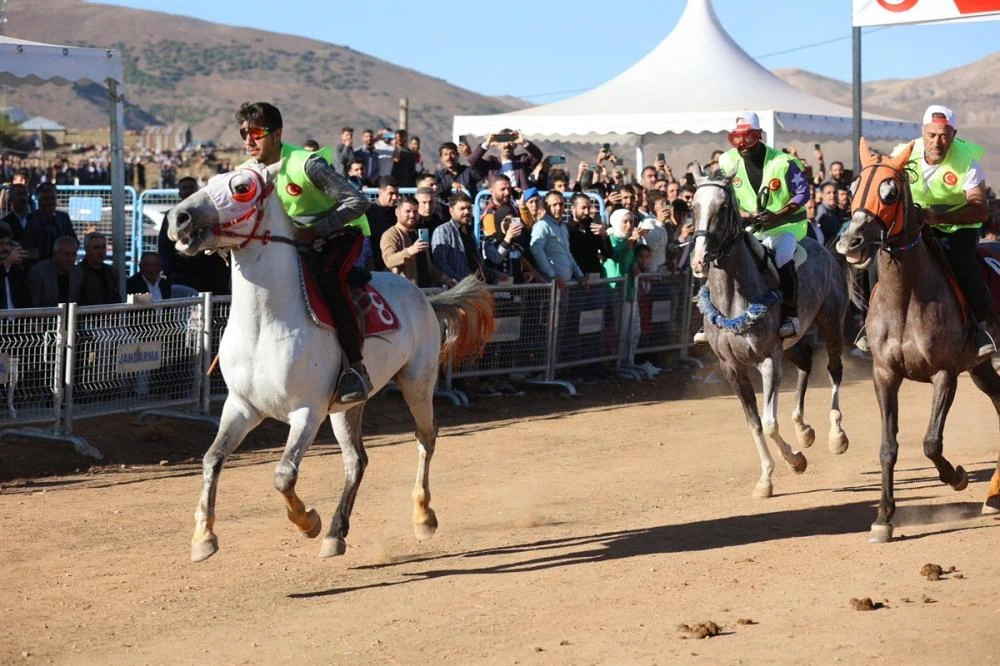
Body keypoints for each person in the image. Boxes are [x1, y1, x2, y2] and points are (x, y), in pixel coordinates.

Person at [236, 101, 373, 402]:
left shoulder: (306, 163)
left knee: (328, 281)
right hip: (295, 245)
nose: (248, 140)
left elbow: (358, 202)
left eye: (256, 132)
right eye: (243, 132)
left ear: (276, 134)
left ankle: (355, 368)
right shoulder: (246, 173)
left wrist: (315, 230)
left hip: (341, 235)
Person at [856, 105, 995, 357]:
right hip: (913, 226)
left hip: (957, 227)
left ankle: (979, 328)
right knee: (879, 261)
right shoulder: (904, 153)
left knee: (962, 263)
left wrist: (938, 217)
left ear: (954, 134)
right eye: (932, 135)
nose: (937, 142)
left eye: (944, 135)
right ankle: (869, 324)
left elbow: (981, 210)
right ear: (923, 132)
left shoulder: (968, 162)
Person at [714, 111, 809, 339]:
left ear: (759, 136)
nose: (742, 144)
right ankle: (711, 316)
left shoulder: (784, 162)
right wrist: (744, 214)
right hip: (748, 227)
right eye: (736, 138)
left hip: (785, 227)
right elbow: (723, 194)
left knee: (783, 255)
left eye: (747, 137)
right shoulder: (726, 161)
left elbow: (802, 193)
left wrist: (777, 214)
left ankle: (790, 314)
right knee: (717, 255)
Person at [380, 196, 444, 287]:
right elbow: (389, 261)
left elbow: (427, 265)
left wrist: (445, 278)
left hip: (425, 290)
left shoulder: (418, 234)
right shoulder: (391, 234)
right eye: (408, 211)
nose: (412, 215)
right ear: (397, 212)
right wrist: (410, 251)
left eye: (415, 212)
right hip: (405, 291)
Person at [431, 193, 489, 285]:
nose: (467, 212)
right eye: (462, 209)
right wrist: (461, 283)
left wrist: (495, 274)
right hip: (456, 290)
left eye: (469, 208)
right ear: (451, 211)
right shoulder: (442, 231)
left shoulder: (470, 232)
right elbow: (441, 264)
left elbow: (477, 263)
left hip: (476, 287)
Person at [469, 129, 543, 193]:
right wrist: (487, 143)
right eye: (503, 141)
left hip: (519, 201)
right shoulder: (492, 162)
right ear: (498, 145)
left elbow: (537, 155)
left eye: (511, 141)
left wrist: (523, 142)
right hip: (498, 203)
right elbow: (472, 160)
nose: (507, 144)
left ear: (516, 144)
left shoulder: (522, 161)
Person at [22, 183, 76, 263]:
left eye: (52, 198)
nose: (50, 202)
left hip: (63, 265)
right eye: (46, 199)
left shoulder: (63, 217)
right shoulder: (31, 219)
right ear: (38, 200)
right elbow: (28, 250)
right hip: (39, 267)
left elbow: (74, 241)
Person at [26, 236, 79, 307]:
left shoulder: (78, 272)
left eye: (74, 254)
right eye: (66, 254)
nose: (70, 259)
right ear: (55, 254)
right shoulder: (38, 273)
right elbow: (34, 305)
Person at [74, 232, 121, 306]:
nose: (101, 251)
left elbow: (116, 297)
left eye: (103, 247)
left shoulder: (111, 271)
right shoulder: (77, 272)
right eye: (96, 247)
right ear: (87, 249)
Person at [0, 223, 28, 309]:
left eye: (8, 243)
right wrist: (7, 264)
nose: (5, 248)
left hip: (15, 321)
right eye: (1, 244)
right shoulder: (9, 264)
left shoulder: (15, 270)